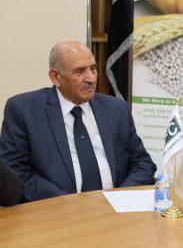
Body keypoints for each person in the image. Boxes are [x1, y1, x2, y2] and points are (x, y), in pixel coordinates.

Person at [0, 41, 156, 202]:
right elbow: (15, 172)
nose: (91, 79)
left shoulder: (116, 109)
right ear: (55, 77)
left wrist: (120, 198)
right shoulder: (24, 110)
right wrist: (70, 204)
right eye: (79, 71)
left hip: (117, 208)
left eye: (93, 69)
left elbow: (143, 163)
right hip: (56, 210)